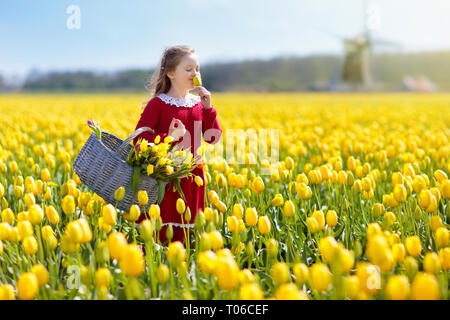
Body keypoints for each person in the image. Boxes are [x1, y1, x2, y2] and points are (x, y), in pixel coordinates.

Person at [133, 45, 222, 245]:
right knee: (161, 236)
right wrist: (169, 137)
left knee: (188, 237)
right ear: (171, 73)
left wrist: (209, 109)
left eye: (197, 69)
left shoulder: (199, 104)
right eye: (188, 69)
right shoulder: (157, 104)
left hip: (192, 178)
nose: (195, 73)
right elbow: (139, 141)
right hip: (165, 179)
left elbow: (213, 138)